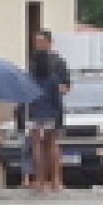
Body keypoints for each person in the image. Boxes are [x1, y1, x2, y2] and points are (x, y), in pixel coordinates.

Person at [32, 30, 70, 191]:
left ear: (49, 42)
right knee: (43, 144)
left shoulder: (58, 62)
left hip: (41, 109)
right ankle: (43, 180)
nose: (38, 44)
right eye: (36, 41)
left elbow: (66, 86)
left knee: (47, 144)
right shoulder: (33, 62)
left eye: (41, 41)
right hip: (46, 109)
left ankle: (52, 179)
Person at [24, 46, 64, 193]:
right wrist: (59, 117)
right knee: (51, 146)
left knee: (36, 147)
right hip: (50, 114)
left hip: (34, 114)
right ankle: (55, 181)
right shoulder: (53, 78)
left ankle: (39, 181)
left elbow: (26, 98)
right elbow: (57, 100)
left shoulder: (29, 78)